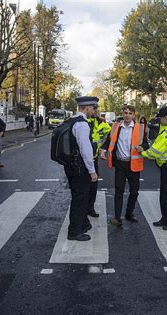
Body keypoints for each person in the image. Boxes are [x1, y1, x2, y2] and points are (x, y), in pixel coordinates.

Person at [100, 105, 149, 227]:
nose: (127, 115)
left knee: (134, 191)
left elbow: (146, 144)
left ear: (134, 115)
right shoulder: (116, 126)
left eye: (130, 113)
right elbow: (109, 140)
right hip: (120, 164)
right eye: (125, 112)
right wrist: (103, 149)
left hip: (133, 164)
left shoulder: (139, 128)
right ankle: (117, 217)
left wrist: (142, 147)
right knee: (119, 191)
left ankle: (129, 213)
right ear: (122, 113)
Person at [64, 96, 99, 241]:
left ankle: (83, 224)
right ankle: (75, 231)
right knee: (80, 199)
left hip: (70, 166)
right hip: (80, 168)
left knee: (78, 196)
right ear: (87, 108)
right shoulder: (82, 125)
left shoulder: (71, 121)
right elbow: (86, 150)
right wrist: (92, 171)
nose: (94, 110)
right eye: (93, 107)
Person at [86, 108, 111, 218]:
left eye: (97, 109)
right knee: (83, 185)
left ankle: (90, 207)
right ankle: (83, 208)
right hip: (82, 159)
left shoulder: (101, 123)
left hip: (94, 158)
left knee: (93, 184)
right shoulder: (84, 122)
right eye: (94, 109)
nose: (96, 111)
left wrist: (102, 148)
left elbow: (110, 134)